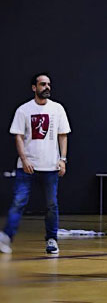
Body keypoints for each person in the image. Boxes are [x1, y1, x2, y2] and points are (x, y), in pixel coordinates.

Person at [0, 73, 71, 255]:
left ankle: (52, 239)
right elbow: (18, 136)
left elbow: (62, 135)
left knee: (51, 205)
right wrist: (24, 160)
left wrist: (62, 160)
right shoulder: (24, 110)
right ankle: (6, 237)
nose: (46, 87)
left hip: (50, 167)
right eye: (42, 84)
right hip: (27, 167)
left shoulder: (57, 109)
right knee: (19, 201)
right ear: (34, 88)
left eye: (48, 84)